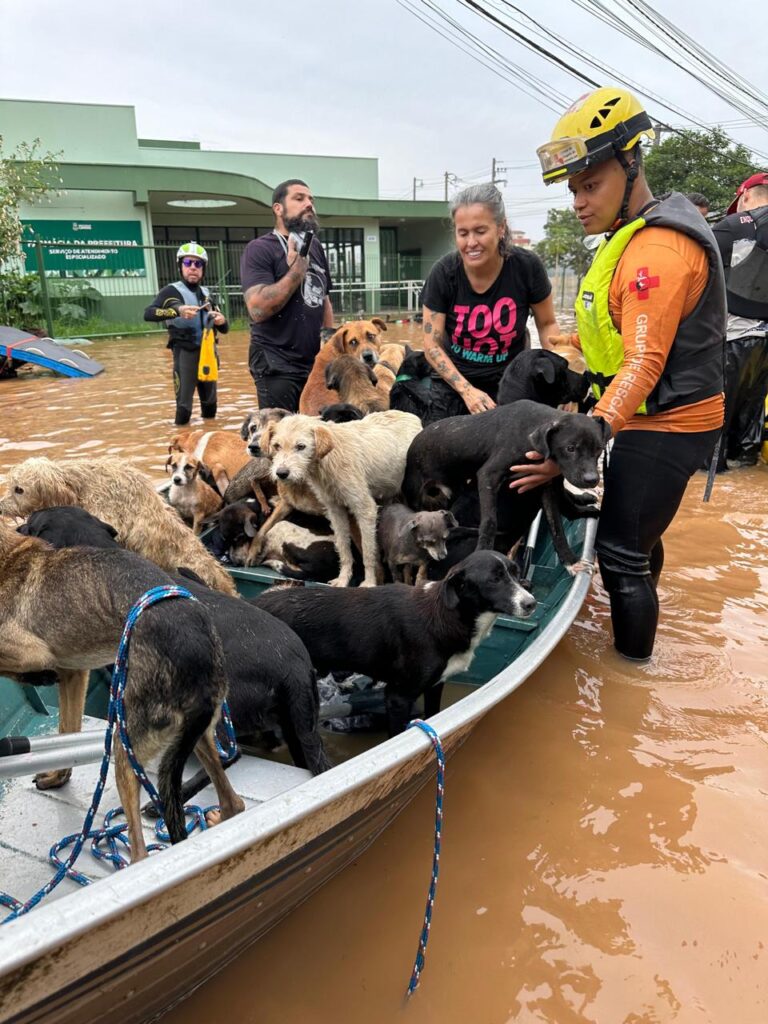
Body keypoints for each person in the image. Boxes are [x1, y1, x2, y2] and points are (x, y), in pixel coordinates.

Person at [517, 86, 725, 662]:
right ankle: (647, 612)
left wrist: (585, 436)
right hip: (643, 414)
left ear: (631, 162)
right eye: (573, 189)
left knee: (619, 554)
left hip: (670, 422)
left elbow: (644, 362)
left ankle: (633, 677)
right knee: (637, 537)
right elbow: (616, 345)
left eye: (591, 185)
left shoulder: (656, 252)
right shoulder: (630, 237)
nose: (578, 202)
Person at [420, 183, 562, 421]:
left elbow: (547, 324)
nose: (471, 243)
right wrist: (467, 391)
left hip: (510, 379)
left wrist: (558, 377)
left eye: (480, 231)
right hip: (454, 382)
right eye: (463, 233)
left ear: (500, 228)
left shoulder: (527, 268)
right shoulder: (443, 273)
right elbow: (431, 345)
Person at [240, 180, 334, 411]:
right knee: (282, 432)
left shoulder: (316, 247)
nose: (309, 204)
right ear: (278, 208)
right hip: (275, 361)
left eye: (311, 199)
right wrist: (297, 271)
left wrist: (329, 347)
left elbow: (324, 299)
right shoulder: (260, 249)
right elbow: (257, 309)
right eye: (299, 198)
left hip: (313, 362)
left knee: (318, 429)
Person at [711, 172, 768, 469]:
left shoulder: (732, 226)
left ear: (745, 195)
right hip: (765, 345)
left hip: (732, 339)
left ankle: (715, 471)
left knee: (716, 418)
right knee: (750, 422)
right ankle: (746, 465)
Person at [144, 242, 228, 425]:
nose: (193, 267)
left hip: (208, 355)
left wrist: (222, 321)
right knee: (184, 409)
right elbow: (148, 314)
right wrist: (177, 311)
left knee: (211, 407)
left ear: (203, 269)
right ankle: (181, 437)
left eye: (198, 264)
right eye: (188, 263)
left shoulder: (207, 294)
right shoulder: (170, 291)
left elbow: (225, 329)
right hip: (185, 354)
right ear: (180, 266)